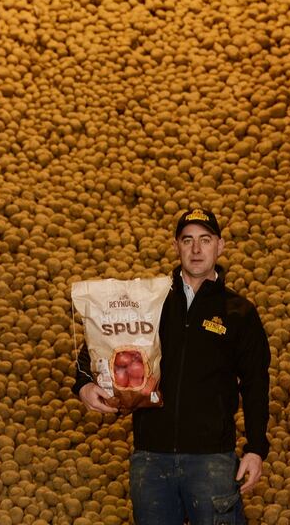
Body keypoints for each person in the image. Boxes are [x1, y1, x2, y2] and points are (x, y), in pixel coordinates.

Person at [73, 207, 272, 525]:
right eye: (188, 240)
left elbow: (256, 384)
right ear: (177, 245)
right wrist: (82, 384)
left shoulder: (239, 313)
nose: (196, 249)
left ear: (219, 246)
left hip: (212, 461)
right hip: (152, 460)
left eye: (205, 240)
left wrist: (256, 449)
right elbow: (100, 337)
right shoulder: (150, 301)